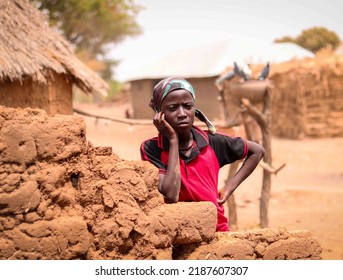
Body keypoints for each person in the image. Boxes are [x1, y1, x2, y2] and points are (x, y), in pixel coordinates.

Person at [140, 77, 265, 231]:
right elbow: (171, 195)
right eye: (172, 108)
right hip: (177, 233)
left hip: (215, 230)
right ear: (160, 114)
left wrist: (229, 187)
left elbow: (257, 151)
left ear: (195, 109)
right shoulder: (152, 148)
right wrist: (173, 140)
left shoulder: (212, 142)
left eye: (187, 106)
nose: (182, 114)